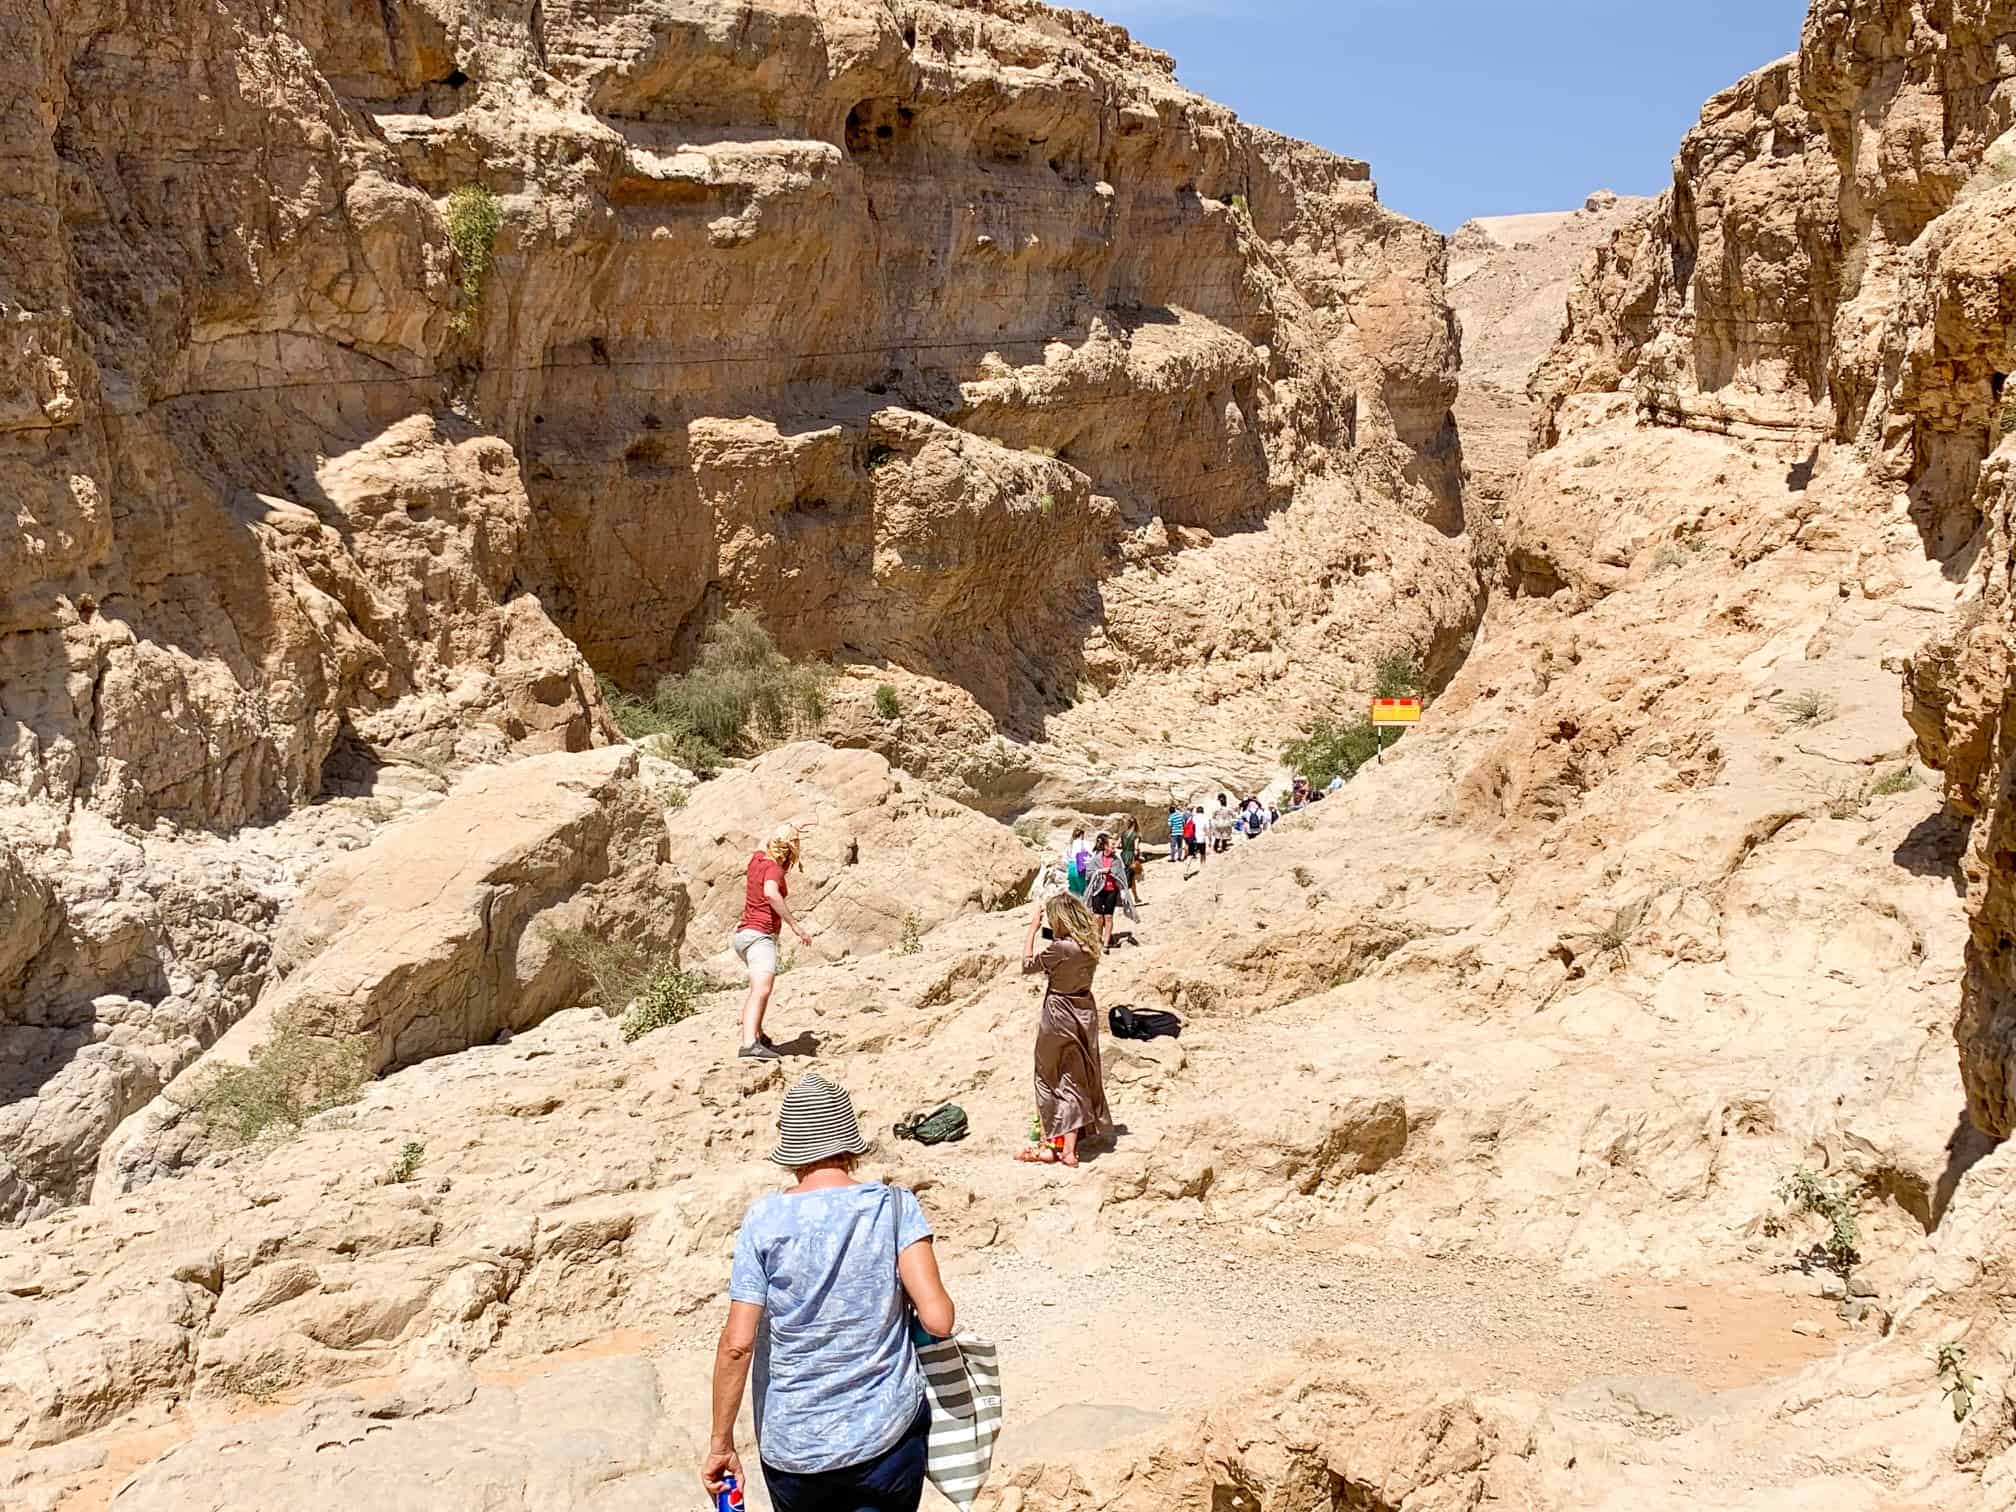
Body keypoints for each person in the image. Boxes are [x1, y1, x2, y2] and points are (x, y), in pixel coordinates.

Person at [704, 1073, 956, 1512]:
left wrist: (721, 1443)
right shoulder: (894, 1206)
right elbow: (939, 1319)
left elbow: (738, 1345)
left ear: (792, 1149)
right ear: (848, 1143)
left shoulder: (763, 1220)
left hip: (796, 1452)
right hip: (886, 1437)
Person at [1016, 894, 1112, 1167]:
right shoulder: (1090, 944)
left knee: (1047, 1076)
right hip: (1084, 1010)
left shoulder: (1060, 948)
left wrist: (1032, 930)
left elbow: (1027, 966)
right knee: (1075, 1076)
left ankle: (1049, 1142)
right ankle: (1068, 1149)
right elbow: (1066, 945)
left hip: (1058, 1012)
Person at [736, 823, 814, 1061]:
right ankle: (749, 1043)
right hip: (761, 936)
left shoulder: (757, 860)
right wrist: (795, 925)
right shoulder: (774, 870)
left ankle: (757, 1034)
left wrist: (786, 828)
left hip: (743, 936)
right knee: (763, 989)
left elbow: (763, 841)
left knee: (757, 987)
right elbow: (771, 893)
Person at [1083, 832, 1125, 947]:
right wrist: (1100, 871)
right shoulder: (1096, 859)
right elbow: (1089, 874)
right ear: (1105, 846)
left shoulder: (1116, 860)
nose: (1114, 846)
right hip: (1098, 890)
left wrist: (1122, 890)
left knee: (1109, 916)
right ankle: (1098, 940)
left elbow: (1121, 875)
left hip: (1111, 890)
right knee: (1097, 917)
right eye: (1112, 844)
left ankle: (1105, 944)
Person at [1119, 815, 1142, 899]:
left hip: (1123, 856)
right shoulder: (1136, 835)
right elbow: (1136, 848)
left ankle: (1135, 897)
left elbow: (1119, 845)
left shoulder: (1123, 834)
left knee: (1125, 876)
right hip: (1131, 857)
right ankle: (1127, 897)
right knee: (1130, 877)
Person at [1167, 800, 1187, 868]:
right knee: (1180, 846)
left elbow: (1170, 825)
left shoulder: (1171, 817)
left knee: (1173, 846)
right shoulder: (1179, 815)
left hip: (1174, 833)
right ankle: (1179, 858)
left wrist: (1170, 832)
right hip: (1180, 832)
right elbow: (1183, 823)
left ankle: (1172, 859)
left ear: (1170, 811)